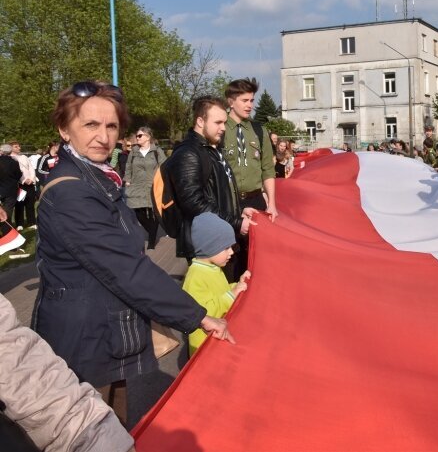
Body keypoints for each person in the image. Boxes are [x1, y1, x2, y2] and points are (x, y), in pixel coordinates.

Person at [34, 81, 234, 425]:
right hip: (83, 343)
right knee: (92, 434)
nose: (103, 136)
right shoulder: (72, 192)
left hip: (101, 333)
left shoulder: (96, 179)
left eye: (112, 126)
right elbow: (125, 268)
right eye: (90, 125)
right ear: (64, 130)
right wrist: (197, 315)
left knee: (113, 429)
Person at [1, 293, 134, 452]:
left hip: (93, 333)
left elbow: (14, 361)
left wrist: (92, 437)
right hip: (84, 333)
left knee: (112, 388)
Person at [167, 95, 258, 262]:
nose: (223, 128)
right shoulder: (188, 153)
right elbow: (194, 204)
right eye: (218, 123)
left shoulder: (211, 149)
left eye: (224, 122)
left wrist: (239, 210)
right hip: (208, 245)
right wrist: (236, 222)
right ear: (200, 121)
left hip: (221, 239)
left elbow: (219, 192)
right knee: (212, 288)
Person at [221, 78, 277, 279]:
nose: (250, 105)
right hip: (229, 202)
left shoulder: (259, 130)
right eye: (244, 100)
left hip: (256, 200)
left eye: (252, 100)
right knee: (230, 255)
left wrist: (272, 203)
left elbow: (268, 170)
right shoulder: (220, 129)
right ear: (230, 101)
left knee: (257, 256)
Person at [182, 213, 250, 356]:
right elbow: (203, 314)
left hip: (217, 338)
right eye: (226, 248)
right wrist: (232, 294)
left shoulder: (212, 268)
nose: (231, 252)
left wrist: (237, 285)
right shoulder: (195, 277)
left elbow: (220, 291)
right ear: (209, 248)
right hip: (204, 348)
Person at [125, 126, 166, 250]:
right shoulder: (133, 151)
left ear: (148, 137)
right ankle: (152, 231)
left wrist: (163, 182)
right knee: (138, 213)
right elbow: (128, 166)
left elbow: (164, 167)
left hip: (153, 186)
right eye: (137, 136)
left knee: (155, 212)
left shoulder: (156, 151)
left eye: (140, 135)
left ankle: (152, 240)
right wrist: (127, 180)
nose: (137, 138)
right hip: (136, 186)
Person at [9, 141, 37, 229]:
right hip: (20, 184)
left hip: (30, 183)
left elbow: (31, 168)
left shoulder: (24, 156)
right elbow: (15, 172)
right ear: (11, 148)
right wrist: (24, 180)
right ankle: (19, 223)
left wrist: (32, 179)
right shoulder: (10, 158)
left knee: (30, 204)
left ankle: (31, 222)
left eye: (19, 146)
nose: (19, 148)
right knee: (19, 204)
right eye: (16, 147)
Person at [0, 144, 21, 221]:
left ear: (1, 151)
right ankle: (6, 228)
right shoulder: (14, 162)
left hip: (1, 187)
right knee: (8, 209)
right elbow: (19, 175)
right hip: (11, 189)